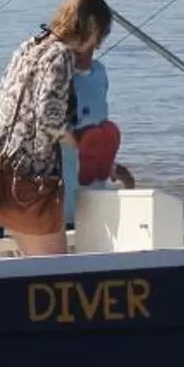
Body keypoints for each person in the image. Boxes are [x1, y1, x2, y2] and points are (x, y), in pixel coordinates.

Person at [0, 0, 112, 257]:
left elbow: (0, 101)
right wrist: (81, 143)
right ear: (92, 26)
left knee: (29, 268)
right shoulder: (61, 56)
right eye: (102, 35)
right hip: (31, 183)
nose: (98, 45)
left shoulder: (28, 47)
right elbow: (49, 119)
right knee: (55, 271)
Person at [60, 28, 135, 224]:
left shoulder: (99, 73)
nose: (77, 49)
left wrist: (112, 167)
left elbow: (97, 124)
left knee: (103, 132)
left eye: (85, 41)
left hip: (94, 194)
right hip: (60, 197)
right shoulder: (56, 78)